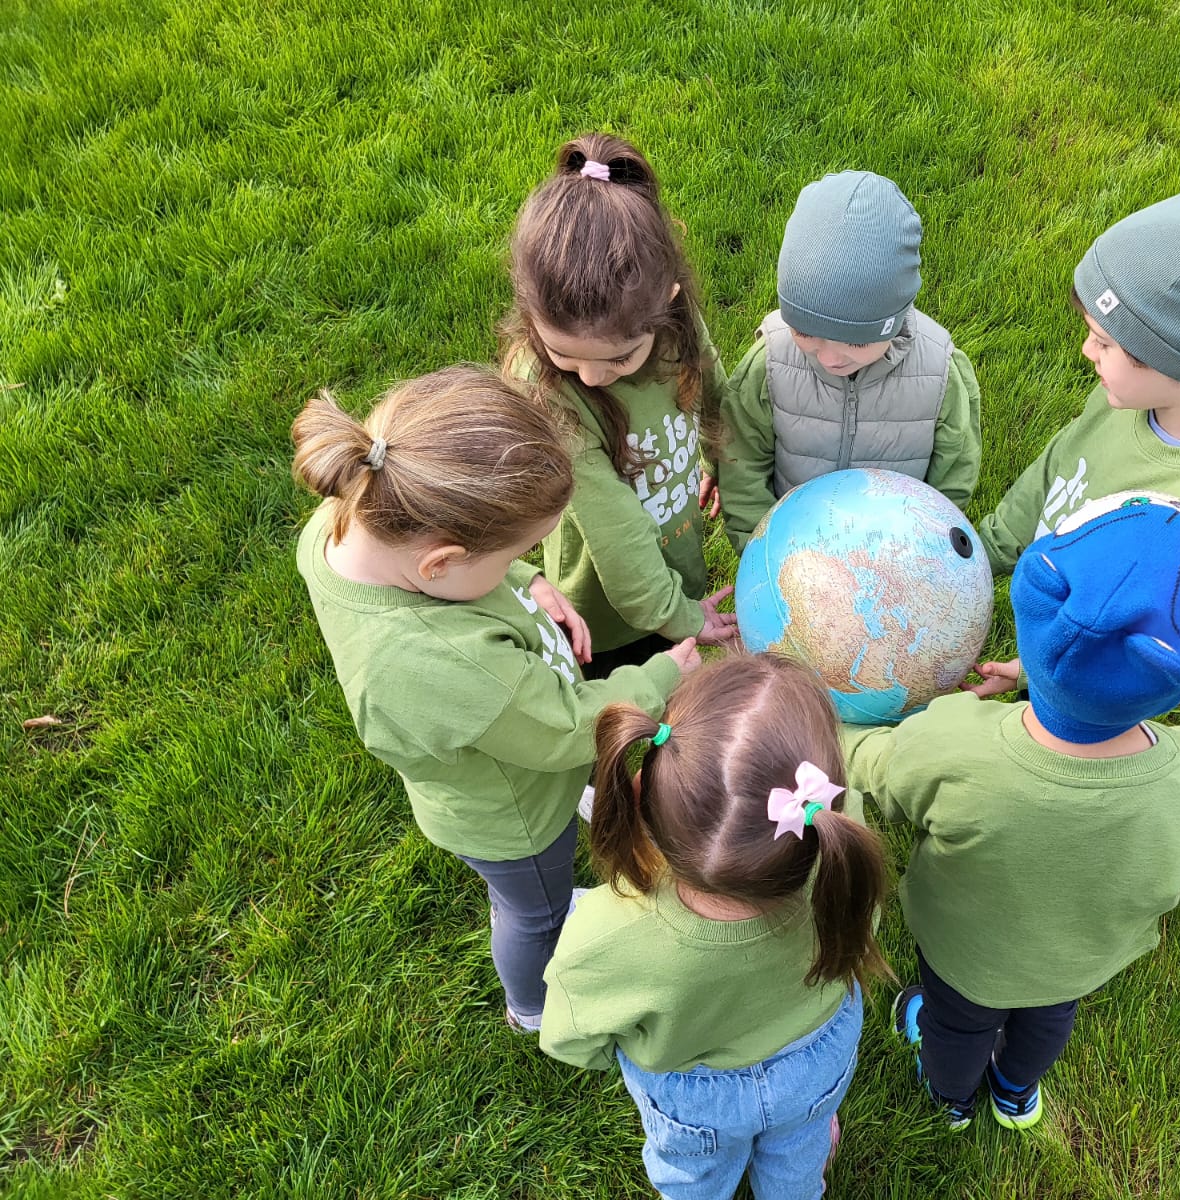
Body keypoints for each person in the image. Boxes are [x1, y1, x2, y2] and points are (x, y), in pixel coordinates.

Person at [291, 365, 700, 1033]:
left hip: (508, 742)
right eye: (517, 552)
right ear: (439, 562)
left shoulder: (353, 517)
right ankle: (532, 1006)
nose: (524, 560)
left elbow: (470, 570)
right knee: (534, 911)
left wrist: (523, 580)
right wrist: (658, 677)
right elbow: (565, 728)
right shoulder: (448, 662)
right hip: (515, 814)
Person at [844, 493, 1180, 1131]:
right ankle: (1014, 1092)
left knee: (956, 1027)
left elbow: (877, 771)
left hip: (963, 959)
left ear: (1034, 614)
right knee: (1048, 1022)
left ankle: (952, 1098)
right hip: (1077, 965)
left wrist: (833, 725)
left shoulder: (952, 744)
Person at [541, 654, 889, 1200]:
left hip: (692, 1100)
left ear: (640, 793)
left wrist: (623, 1058)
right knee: (798, 1159)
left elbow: (570, 1036)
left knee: (694, 1181)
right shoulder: (842, 870)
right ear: (829, 805)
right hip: (816, 1062)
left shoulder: (604, 933)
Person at [969, 180, 1180, 698]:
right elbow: (1057, 469)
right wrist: (984, 550)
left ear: (1172, 360)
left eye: (1104, 342)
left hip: (1084, 689)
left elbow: (1150, 649)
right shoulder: (1124, 395)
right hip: (1057, 595)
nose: (1086, 351)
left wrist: (1037, 673)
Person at [501, 132, 736, 677]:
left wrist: (718, 459)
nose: (589, 376)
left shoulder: (676, 325)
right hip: (603, 618)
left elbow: (714, 393)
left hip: (670, 566)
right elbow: (618, 538)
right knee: (628, 710)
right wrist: (679, 616)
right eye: (562, 353)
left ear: (668, 304)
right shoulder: (547, 392)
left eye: (620, 359)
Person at [714, 170, 982, 553]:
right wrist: (761, 553)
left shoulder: (938, 372)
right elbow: (741, 465)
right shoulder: (770, 363)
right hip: (794, 550)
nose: (828, 357)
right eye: (804, 333)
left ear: (895, 319)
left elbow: (953, 478)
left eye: (856, 341)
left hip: (892, 552)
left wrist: (928, 548)